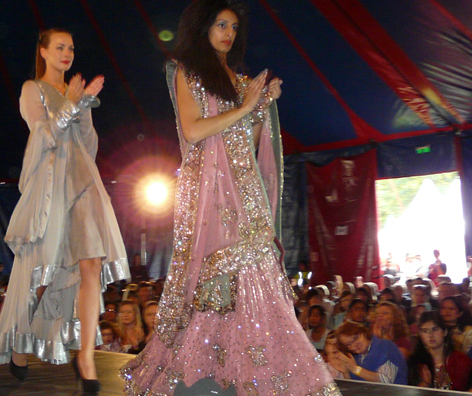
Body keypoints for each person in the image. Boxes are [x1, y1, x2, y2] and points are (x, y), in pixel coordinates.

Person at [120, 2, 340, 395]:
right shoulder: (185, 71)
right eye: (221, 24)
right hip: (207, 192)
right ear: (203, 26)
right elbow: (192, 131)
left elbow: (245, 142)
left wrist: (260, 110)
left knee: (255, 274)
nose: (228, 33)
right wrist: (245, 107)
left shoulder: (238, 80)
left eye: (234, 27)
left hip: (244, 191)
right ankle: (197, 370)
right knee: (211, 277)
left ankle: (246, 373)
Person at [0, 27, 130, 394]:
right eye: (60, 47)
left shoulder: (74, 93)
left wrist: (83, 108)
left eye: (72, 48)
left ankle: (86, 357)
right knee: (42, 274)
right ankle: (19, 340)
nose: (67, 53)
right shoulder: (32, 90)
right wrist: (73, 105)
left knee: (90, 262)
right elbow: (42, 136)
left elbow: (90, 145)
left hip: (84, 183)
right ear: (43, 51)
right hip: (51, 188)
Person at [408, 311, 472, 391]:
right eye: (425, 331)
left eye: (435, 330)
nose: (430, 335)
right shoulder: (416, 362)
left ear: (445, 332)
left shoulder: (459, 360)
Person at [334, 321, 408, 384]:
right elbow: (353, 389)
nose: (355, 344)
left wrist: (354, 369)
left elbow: (386, 380)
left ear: (363, 333)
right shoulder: (356, 357)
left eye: (356, 338)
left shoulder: (385, 346)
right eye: (349, 344)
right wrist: (346, 372)